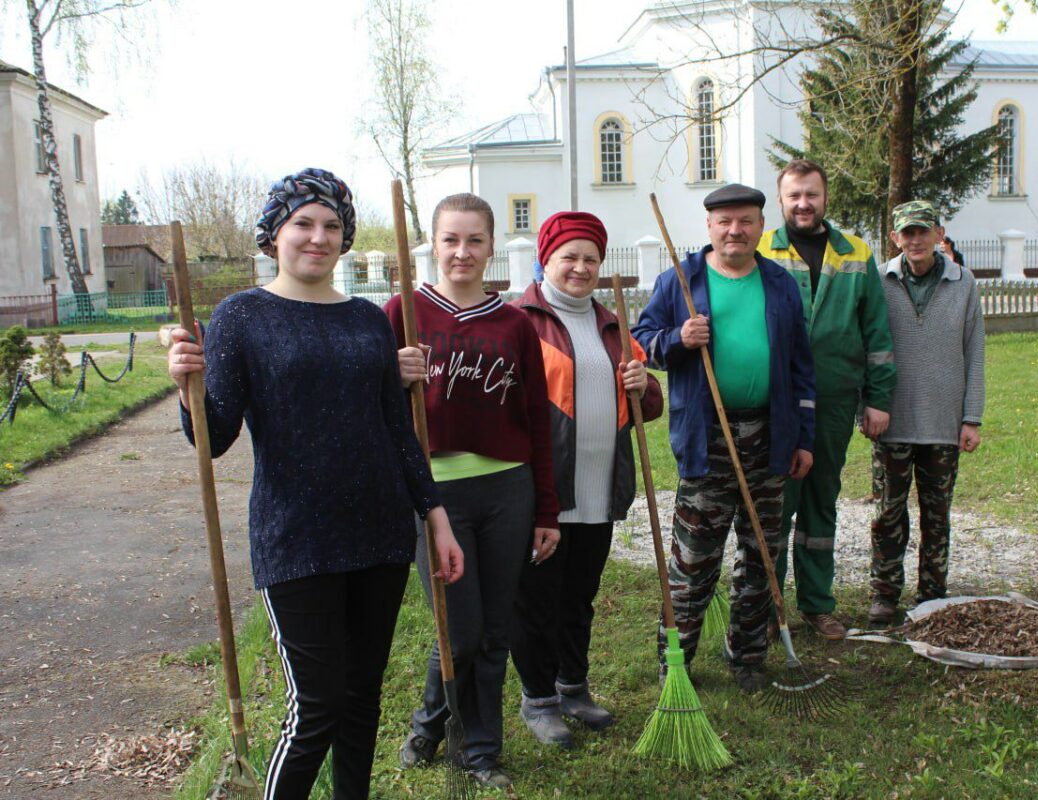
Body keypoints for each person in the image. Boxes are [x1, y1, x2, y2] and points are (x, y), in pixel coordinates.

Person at [166, 168, 463, 800]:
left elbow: (396, 428)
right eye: (302, 223)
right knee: (317, 705)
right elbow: (214, 440)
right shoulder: (241, 317)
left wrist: (434, 516)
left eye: (331, 225)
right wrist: (186, 391)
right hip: (295, 538)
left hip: (380, 532)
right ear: (274, 233)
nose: (317, 237)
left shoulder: (366, 319)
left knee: (361, 701)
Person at [385, 193, 559, 790]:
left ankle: (469, 744)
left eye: (475, 240)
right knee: (457, 628)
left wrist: (546, 509)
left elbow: (537, 419)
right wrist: (392, 375)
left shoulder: (513, 323)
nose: (462, 252)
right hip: (434, 497)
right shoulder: (401, 314)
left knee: (491, 629)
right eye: (450, 240)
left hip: (506, 491)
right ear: (432, 244)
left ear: (491, 247)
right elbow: (373, 413)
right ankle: (449, 734)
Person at [632, 183, 815, 692]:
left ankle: (747, 655)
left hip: (771, 435)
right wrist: (678, 339)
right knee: (694, 557)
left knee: (761, 552)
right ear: (710, 226)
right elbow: (643, 342)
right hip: (706, 434)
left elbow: (802, 365)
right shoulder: (681, 281)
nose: (736, 230)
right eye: (725, 222)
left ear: (761, 226)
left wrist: (803, 437)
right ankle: (677, 661)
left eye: (747, 221)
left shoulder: (779, 283)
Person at [509, 211, 664, 747]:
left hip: (599, 486)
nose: (579, 267)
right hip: (544, 493)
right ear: (545, 260)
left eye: (590, 258)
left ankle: (572, 687)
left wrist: (643, 384)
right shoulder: (519, 322)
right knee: (537, 600)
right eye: (568, 257)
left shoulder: (612, 323)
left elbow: (651, 408)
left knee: (579, 596)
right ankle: (539, 699)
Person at [756, 158, 896, 641]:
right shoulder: (760, 250)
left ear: (825, 197)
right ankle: (768, 607)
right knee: (775, 502)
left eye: (811, 194)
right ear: (780, 199)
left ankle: (817, 605)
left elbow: (876, 331)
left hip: (836, 399)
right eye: (794, 195)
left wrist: (877, 400)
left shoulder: (856, 253)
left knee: (821, 501)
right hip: (777, 401)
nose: (803, 203)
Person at [869, 200, 985, 626]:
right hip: (891, 420)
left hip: (943, 422)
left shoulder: (963, 283)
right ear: (895, 237)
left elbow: (975, 352)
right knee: (887, 513)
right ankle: (884, 593)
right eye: (907, 233)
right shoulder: (878, 281)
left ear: (939, 234)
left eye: (923, 232)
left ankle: (932, 596)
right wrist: (867, 404)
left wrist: (971, 417)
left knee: (937, 515)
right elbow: (864, 346)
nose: (915, 240)